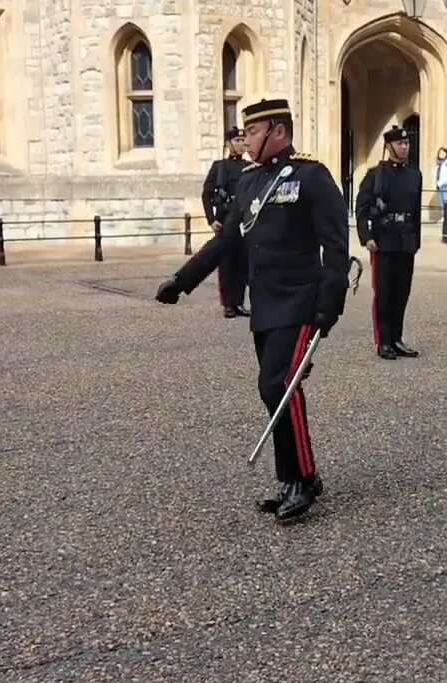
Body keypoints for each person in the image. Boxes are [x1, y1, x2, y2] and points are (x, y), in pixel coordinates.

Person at [154, 98, 351, 522]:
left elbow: (336, 245)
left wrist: (329, 305)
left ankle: (301, 479)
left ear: (278, 131)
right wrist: (182, 281)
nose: (245, 142)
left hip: (300, 301)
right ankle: (296, 475)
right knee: (276, 389)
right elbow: (226, 242)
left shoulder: (310, 176)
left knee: (277, 385)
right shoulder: (247, 182)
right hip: (265, 305)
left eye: (255, 131)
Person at [354, 125, 423, 361]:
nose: (404, 147)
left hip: (405, 241)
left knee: (402, 292)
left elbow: (415, 211)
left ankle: (396, 337)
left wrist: (416, 241)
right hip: (384, 240)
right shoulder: (376, 175)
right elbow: (361, 208)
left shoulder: (415, 175)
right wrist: (367, 237)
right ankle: (383, 341)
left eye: (406, 143)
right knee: (383, 293)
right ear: (389, 146)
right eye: (400, 144)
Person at [201, 127, 251, 318]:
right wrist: (211, 220)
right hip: (225, 220)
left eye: (242, 140)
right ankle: (228, 304)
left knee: (242, 263)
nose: (241, 145)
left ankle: (239, 302)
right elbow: (206, 193)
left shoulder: (250, 166)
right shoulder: (219, 167)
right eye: (237, 141)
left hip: (244, 221)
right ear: (229, 144)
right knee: (227, 263)